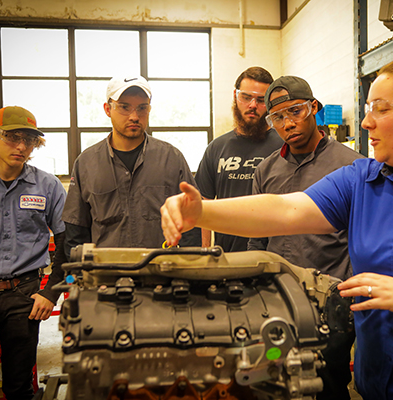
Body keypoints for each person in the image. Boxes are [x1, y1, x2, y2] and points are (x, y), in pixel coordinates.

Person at [161, 55, 393, 399]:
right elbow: (285, 209)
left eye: (381, 108)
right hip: (377, 387)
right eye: (367, 110)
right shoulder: (360, 180)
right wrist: (201, 212)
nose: (366, 123)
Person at [247, 75, 364, 399]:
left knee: (326, 380)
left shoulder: (351, 166)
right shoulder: (266, 170)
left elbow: (364, 238)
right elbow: (257, 238)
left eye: (295, 111)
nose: (288, 123)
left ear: (314, 107)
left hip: (331, 303)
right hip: (276, 301)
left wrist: (348, 296)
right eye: (278, 117)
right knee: (272, 373)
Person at [0, 106, 67, 400]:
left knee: (20, 386)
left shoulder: (48, 186)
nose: (22, 146)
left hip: (24, 296)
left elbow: (66, 244)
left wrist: (50, 293)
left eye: (30, 140)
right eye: (12, 137)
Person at [61, 75, 200, 255]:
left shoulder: (172, 159)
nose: (134, 116)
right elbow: (75, 233)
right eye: (124, 107)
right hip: (106, 277)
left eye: (142, 108)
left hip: (160, 273)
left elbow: (191, 224)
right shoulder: (86, 164)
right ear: (107, 109)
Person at [195, 66, 283, 251]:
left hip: (274, 257)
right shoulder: (216, 148)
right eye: (246, 97)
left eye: (260, 100)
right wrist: (205, 252)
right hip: (228, 257)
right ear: (235, 95)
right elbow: (204, 205)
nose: (252, 105)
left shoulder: (284, 146)